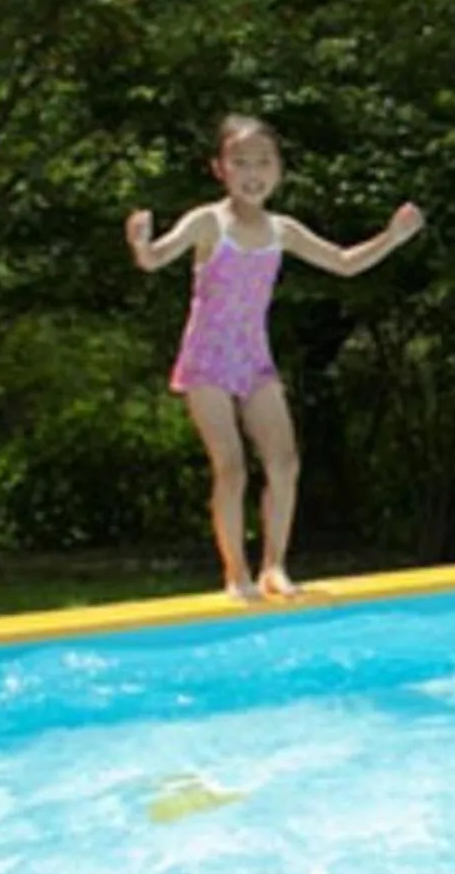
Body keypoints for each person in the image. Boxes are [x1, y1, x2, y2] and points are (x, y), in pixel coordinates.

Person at [127, 114, 424, 602]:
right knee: (231, 467)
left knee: (284, 463)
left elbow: (344, 264)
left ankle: (275, 568)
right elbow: (156, 258)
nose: (253, 172)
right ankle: (235, 574)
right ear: (219, 168)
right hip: (207, 360)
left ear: (279, 170)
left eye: (264, 162)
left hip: (254, 359)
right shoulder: (208, 222)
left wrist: (392, 237)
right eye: (240, 162)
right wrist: (140, 242)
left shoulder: (281, 230)